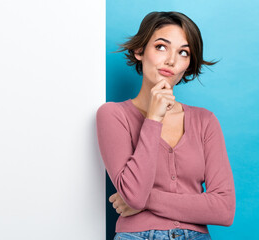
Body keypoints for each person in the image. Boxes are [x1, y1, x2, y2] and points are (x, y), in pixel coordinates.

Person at [96, 11, 235, 240]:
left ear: (188, 64)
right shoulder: (113, 115)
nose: (171, 60)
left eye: (183, 52)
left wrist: (147, 201)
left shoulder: (205, 121)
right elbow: (134, 195)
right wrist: (153, 119)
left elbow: (224, 209)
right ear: (139, 51)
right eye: (161, 47)